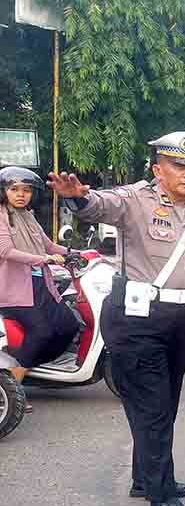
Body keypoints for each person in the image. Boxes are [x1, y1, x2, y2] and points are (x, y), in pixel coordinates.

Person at [48, 131, 185, 506]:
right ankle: (161, 494)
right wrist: (78, 197)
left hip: (178, 320)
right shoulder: (136, 199)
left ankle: (146, 478)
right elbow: (99, 206)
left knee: (164, 405)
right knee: (154, 408)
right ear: (158, 169)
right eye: (180, 166)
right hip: (136, 320)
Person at [0, 167, 81, 414]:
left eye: (26, 190)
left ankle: (31, 367)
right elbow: (5, 251)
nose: (21, 195)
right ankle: (13, 386)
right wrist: (44, 258)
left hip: (39, 285)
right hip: (12, 291)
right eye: (14, 189)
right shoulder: (1, 215)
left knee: (69, 324)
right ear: (4, 192)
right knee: (42, 332)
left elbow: (47, 243)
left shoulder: (28, 215)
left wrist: (72, 253)